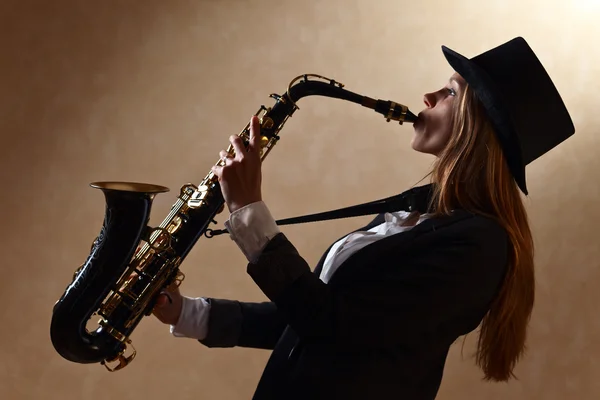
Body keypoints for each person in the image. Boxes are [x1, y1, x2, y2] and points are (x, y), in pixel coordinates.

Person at [152, 37, 575, 399]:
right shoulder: (416, 213)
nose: (428, 97)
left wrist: (249, 213)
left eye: (450, 92)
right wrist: (187, 313)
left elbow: (332, 326)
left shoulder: (480, 247)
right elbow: (302, 317)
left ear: (480, 125)